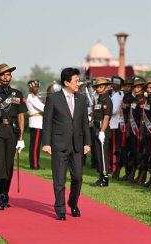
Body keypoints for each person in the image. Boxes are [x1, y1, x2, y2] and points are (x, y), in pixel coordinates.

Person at [42, 67, 91, 221]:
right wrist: (46, 143)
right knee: (59, 179)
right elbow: (47, 122)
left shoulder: (81, 99)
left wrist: (87, 143)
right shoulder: (53, 99)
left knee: (77, 177)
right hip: (58, 144)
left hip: (77, 145)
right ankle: (60, 209)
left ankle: (73, 203)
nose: (79, 83)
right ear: (66, 82)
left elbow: (84, 123)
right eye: (76, 81)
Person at [0, 63, 27, 210]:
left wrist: (21, 137)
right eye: (3, 74)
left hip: (12, 132)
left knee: (9, 165)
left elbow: (21, 116)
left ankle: (5, 194)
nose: (5, 77)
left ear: (11, 76)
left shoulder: (18, 94)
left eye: (8, 74)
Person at [91, 77, 113, 187]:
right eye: (97, 87)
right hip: (96, 128)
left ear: (106, 87)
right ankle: (100, 177)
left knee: (103, 155)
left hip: (102, 129)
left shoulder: (106, 100)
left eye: (101, 87)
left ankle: (105, 179)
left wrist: (102, 132)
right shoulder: (99, 99)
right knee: (98, 155)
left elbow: (106, 117)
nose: (99, 89)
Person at [26, 80, 45, 170]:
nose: (37, 88)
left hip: (38, 123)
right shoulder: (31, 98)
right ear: (30, 87)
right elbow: (43, 108)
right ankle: (34, 165)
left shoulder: (35, 97)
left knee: (36, 145)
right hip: (36, 123)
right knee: (35, 146)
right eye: (35, 87)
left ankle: (36, 163)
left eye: (37, 86)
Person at [109, 76, 124, 176]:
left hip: (115, 123)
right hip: (112, 123)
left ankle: (114, 168)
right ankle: (111, 167)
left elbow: (113, 110)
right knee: (111, 147)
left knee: (114, 148)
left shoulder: (118, 95)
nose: (112, 85)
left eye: (114, 84)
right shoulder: (115, 94)